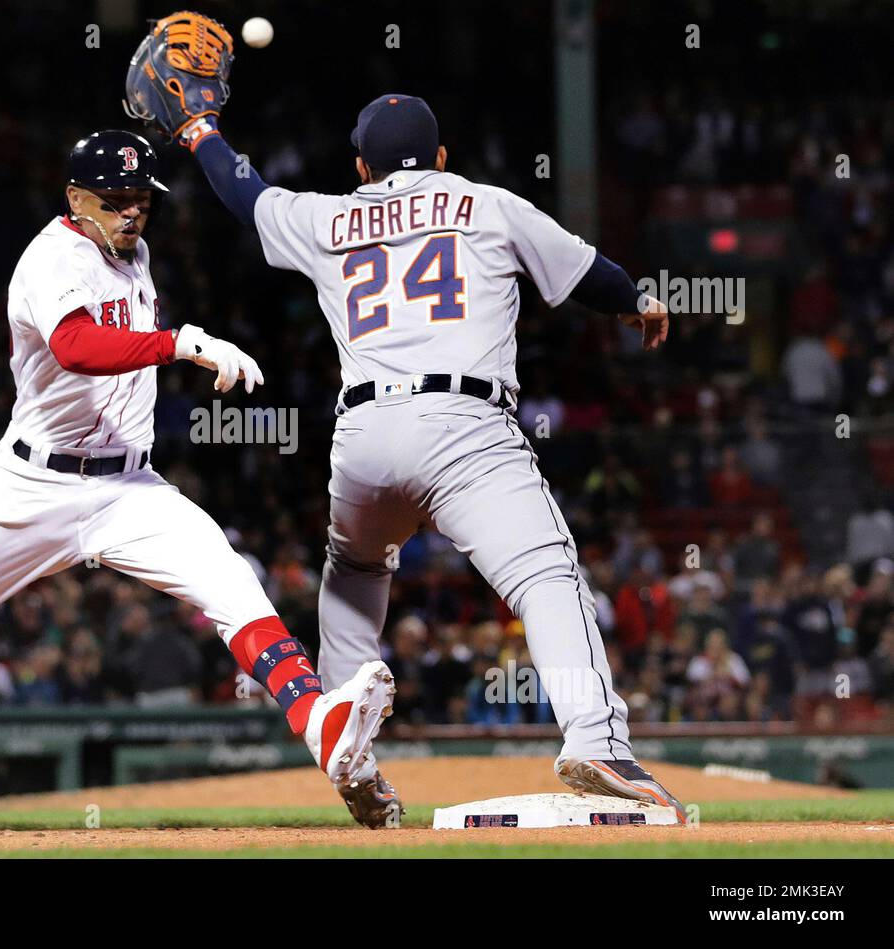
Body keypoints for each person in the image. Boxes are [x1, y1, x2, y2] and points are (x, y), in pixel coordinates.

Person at [124, 17, 685, 821]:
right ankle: (595, 739)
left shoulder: (328, 218)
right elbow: (587, 270)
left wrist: (201, 128)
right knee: (546, 577)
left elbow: (244, 195)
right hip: (466, 429)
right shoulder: (484, 202)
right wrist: (637, 296)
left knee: (353, 576)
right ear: (442, 159)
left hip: (364, 439)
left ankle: (347, 751)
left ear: (362, 166)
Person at [0, 130, 397, 825]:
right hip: (34, 487)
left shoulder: (136, 252)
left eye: (141, 200)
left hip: (130, 488)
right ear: (75, 198)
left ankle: (320, 725)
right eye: (114, 199)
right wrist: (182, 342)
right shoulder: (50, 256)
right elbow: (75, 347)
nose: (131, 212)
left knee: (232, 580)